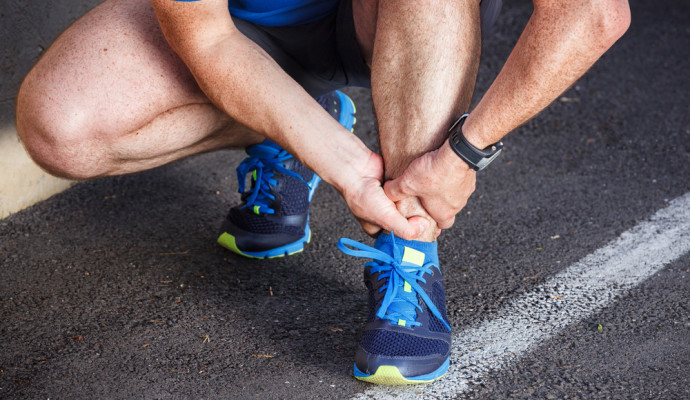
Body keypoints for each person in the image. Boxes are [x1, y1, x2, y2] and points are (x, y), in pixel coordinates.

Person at [15, 0, 630, 385]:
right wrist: (334, 156)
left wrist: (463, 154)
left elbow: (593, 13)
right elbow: (207, 39)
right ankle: (303, 122)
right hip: (250, 27)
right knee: (60, 128)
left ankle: (408, 249)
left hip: (409, 18)